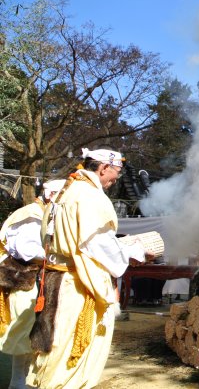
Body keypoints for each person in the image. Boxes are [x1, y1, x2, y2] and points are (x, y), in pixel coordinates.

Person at [26, 148, 149, 388]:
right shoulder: (90, 196)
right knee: (71, 354)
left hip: (56, 279)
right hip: (76, 286)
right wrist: (135, 252)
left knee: (54, 347)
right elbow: (98, 245)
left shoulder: (67, 191)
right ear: (103, 167)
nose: (116, 179)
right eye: (116, 172)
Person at [0, 180, 65, 389]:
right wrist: (57, 256)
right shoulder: (32, 214)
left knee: (29, 333)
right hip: (22, 280)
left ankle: (19, 381)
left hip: (32, 279)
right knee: (23, 332)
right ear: (51, 195)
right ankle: (17, 382)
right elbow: (26, 249)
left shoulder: (43, 213)